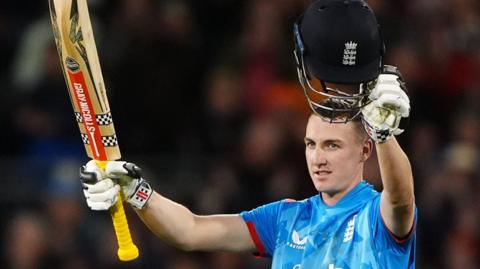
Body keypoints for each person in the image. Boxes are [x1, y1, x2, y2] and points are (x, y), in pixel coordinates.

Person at [80, 0, 416, 268]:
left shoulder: (375, 216)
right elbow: (191, 231)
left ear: (364, 151)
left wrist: (383, 132)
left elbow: (401, 199)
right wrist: (137, 192)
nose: (318, 157)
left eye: (332, 145)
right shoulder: (287, 219)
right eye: (311, 144)